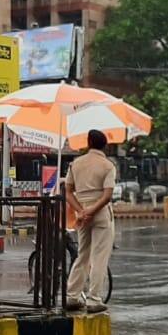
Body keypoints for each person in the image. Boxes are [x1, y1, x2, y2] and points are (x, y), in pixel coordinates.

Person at [64, 129, 116, 313]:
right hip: (100, 214)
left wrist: (81, 211)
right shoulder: (108, 165)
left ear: (88, 142)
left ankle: (72, 296)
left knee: (82, 255)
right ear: (105, 145)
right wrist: (92, 211)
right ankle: (94, 299)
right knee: (99, 257)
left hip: (82, 214)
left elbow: (68, 191)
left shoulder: (76, 164)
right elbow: (107, 195)